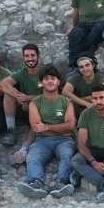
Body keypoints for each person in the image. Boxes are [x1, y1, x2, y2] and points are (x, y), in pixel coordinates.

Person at [20, 65, 77, 199]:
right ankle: (36, 183)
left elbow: (70, 125)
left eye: (53, 78)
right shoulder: (35, 102)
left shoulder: (66, 102)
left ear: (58, 82)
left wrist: (47, 127)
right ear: (41, 83)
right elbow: (36, 126)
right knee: (33, 157)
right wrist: (55, 127)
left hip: (65, 139)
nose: (50, 81)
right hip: (41, 141)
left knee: (67, 155)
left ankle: (62, 183)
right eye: (46, 79)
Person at [0, 43, 45, 163]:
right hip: (25, 106)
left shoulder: (46, 72)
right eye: (27, 56)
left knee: (34, 109)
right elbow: (3, 84)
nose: (30, 58)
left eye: (32, 55)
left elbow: (52, 95)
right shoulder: (22, 72)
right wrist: (18, 96)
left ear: (38, 56)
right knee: (8, 94)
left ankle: (25, 147)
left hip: (41, 108)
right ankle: (11, 130)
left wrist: (28, 98)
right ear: (23, 58)